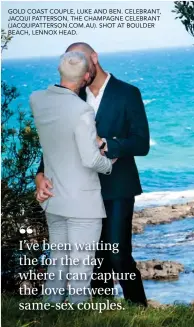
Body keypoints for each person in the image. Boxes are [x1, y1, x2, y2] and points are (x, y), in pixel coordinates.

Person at [35, 42, 150, 307]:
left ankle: (139, 309)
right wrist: (41, 174)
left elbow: (141, 142)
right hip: (80, 191)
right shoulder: (72, 96)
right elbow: (57, 145)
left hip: (118, 187)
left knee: (119, 255)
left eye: (84, 61)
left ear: (95, 58)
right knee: (93, 258)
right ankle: (99, 312)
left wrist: (107, 143)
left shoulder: (128, 93)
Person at [30, 51, 113, 304]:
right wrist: (109, 164)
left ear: (59, 71)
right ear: (87, 77)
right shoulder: (82, 110)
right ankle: (77, 316)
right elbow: (90, 159)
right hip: (82, 203)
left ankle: (50, 311)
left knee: (58, 262)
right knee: (81, 268)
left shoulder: (37, 100)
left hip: (54, 197)